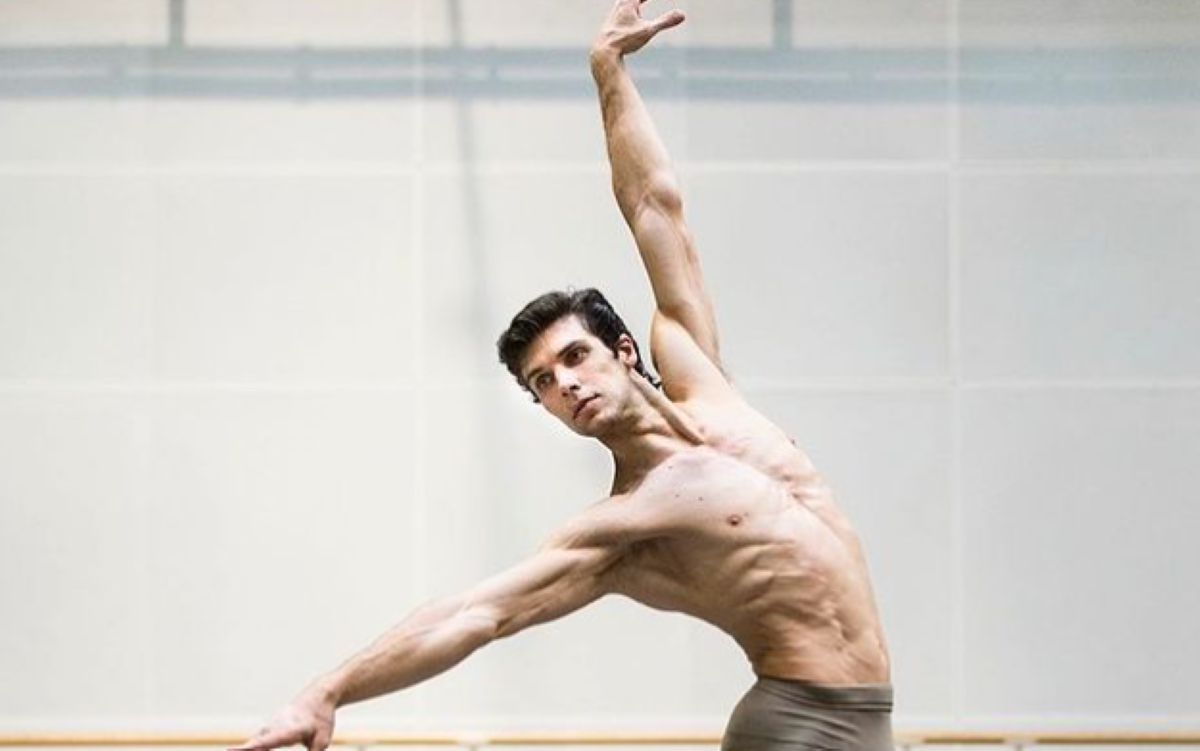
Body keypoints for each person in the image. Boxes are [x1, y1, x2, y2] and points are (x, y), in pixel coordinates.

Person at [231, 2, 893, 750]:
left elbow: (655, 207)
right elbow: (476, 614)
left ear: (623, 349)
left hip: (872, 717)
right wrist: (326, 692)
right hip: (797, 722)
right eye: (542, 381)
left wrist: (607, 72)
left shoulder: (705, 381)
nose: (564, 383)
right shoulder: (623, 525)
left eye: (573, 356)